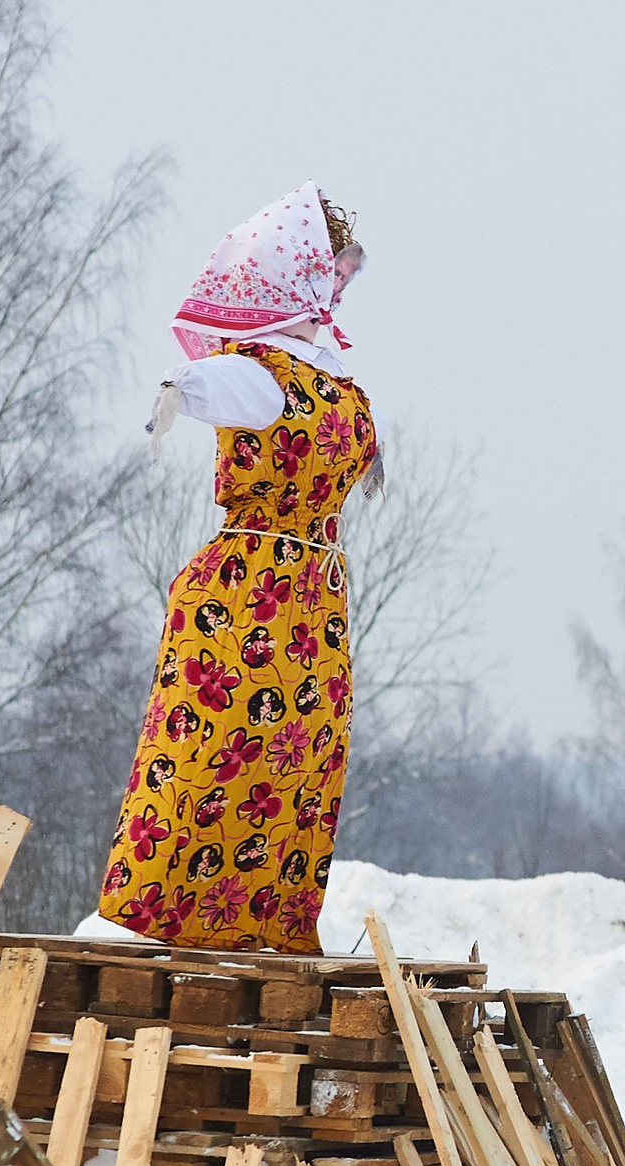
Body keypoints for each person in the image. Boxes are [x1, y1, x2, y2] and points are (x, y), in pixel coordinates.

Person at [99, 182, 380, 953]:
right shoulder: (259, 374)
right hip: (247, 601)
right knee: (211, 754)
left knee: (300, 767)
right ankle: (164, 926)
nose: (343, 281)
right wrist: (177, 393)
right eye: (332, 266)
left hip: (314, 610)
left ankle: (269, 925)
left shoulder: (334, 382)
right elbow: (218, 388)